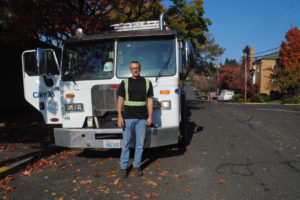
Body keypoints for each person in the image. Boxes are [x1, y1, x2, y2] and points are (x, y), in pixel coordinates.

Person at [117, 60, 153, 177]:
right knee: (126, 143)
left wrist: (150, 116)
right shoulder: (125, 82)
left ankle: (137, 166)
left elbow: (150, 100)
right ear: (130, 70)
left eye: (137, 68)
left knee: (140, 144)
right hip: (127, 118)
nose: (135, 70)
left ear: (140, 69)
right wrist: (119, 116)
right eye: (133, 68)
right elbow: (120, 100)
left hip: (142, 118)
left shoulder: (147, 83)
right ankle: (123, 167)